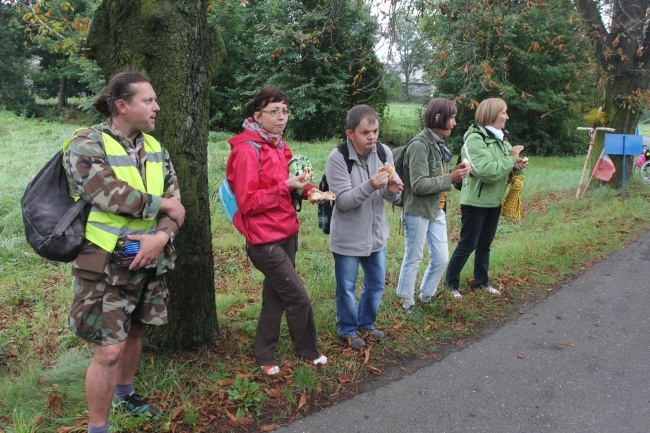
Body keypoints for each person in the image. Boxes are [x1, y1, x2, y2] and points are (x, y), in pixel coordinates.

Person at [63, 72, 186, 433]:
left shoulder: (155, 148)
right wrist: (162, 204)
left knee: (135, 332)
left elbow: (176, 209)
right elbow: (108, 193)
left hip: (149, 259)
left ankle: (125, 394)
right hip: (105, 266)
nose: (156, 106)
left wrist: (161, 238)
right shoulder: (86, 143)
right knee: (108, 350)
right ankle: (98, 427)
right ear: (122, 105)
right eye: (148, 100)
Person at [225, 87, 327, 375]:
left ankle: (264, 354)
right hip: (263, 240)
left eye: (284, 111)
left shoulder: (281, 146)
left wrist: (310, 191)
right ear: (257, 116)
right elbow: (247, 202)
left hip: (287, 233)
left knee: (275, 297)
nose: (281, 117)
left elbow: (293, 181)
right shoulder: (247, 150)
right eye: (274, 111)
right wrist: (285, 187)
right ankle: (308, 351)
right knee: (298, 297)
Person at [325, 105, 404, 348]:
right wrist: (370, 185)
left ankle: (366, 323)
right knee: (347, 287)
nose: (372, 137)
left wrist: (392, 191)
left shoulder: (383, 152)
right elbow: (344, 202)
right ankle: (347, 328)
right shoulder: (337, 158)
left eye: (375, 131)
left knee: (377, 283)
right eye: (365, 132)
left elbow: (390, 198)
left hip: (376, 233)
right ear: (351, 134)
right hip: (348, 236)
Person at [444, 98, 528, 299]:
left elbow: (501, 168)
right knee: (468, 244)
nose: (507, 117)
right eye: (504, 113)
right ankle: (450, 284)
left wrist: (515, 166)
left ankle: (481, 282)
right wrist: (511, 158)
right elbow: (487, 171)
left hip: (494, 201)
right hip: (475, 202)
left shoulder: (501, 139)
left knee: (485, 244)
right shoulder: (474, 139)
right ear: (492, 114)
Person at [395, 98, 470, 317]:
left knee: (441, 258)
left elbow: (436, 177)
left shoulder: (437, 144)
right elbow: (418, 184)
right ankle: (407, 301)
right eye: (452, 117)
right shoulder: (420, 145)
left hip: (437, 209)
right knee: (414, 256)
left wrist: (454, 173)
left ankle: (426, 295)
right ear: (439, 118)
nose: (455, 122)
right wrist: (450, 177)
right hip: (417, 210)